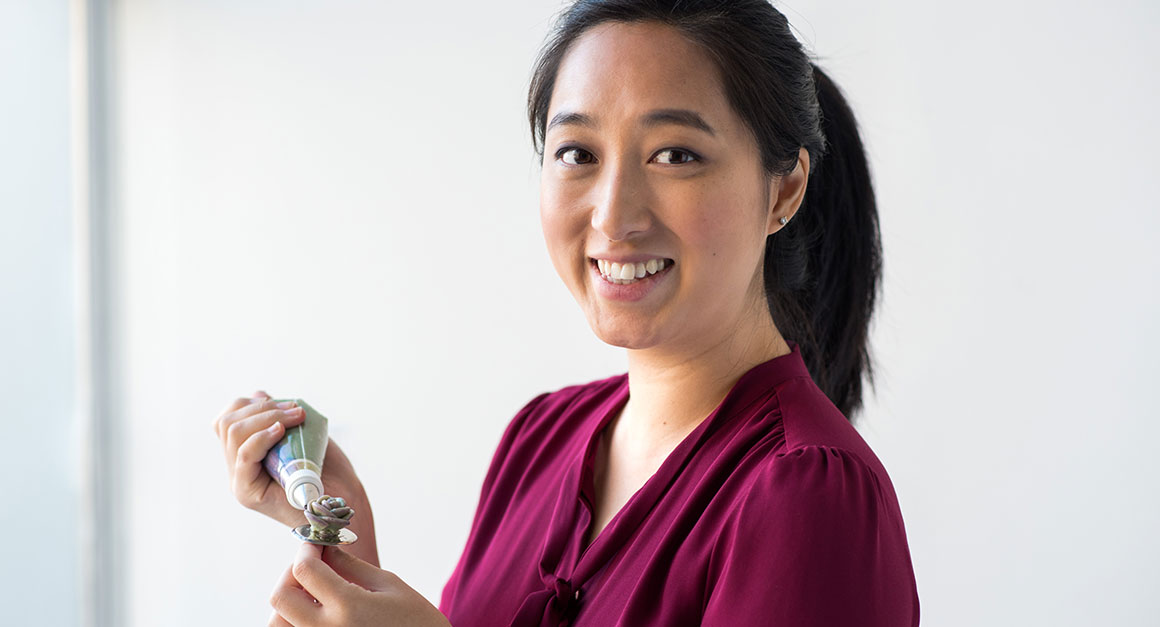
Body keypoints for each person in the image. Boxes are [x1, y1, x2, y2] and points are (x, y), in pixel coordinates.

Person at [213, 0, 920, 624]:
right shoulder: (539, 440)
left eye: (675, 155)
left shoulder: (807, 491)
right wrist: (339, 531)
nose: (614, 216)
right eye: (577, 152)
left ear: (785, 189)